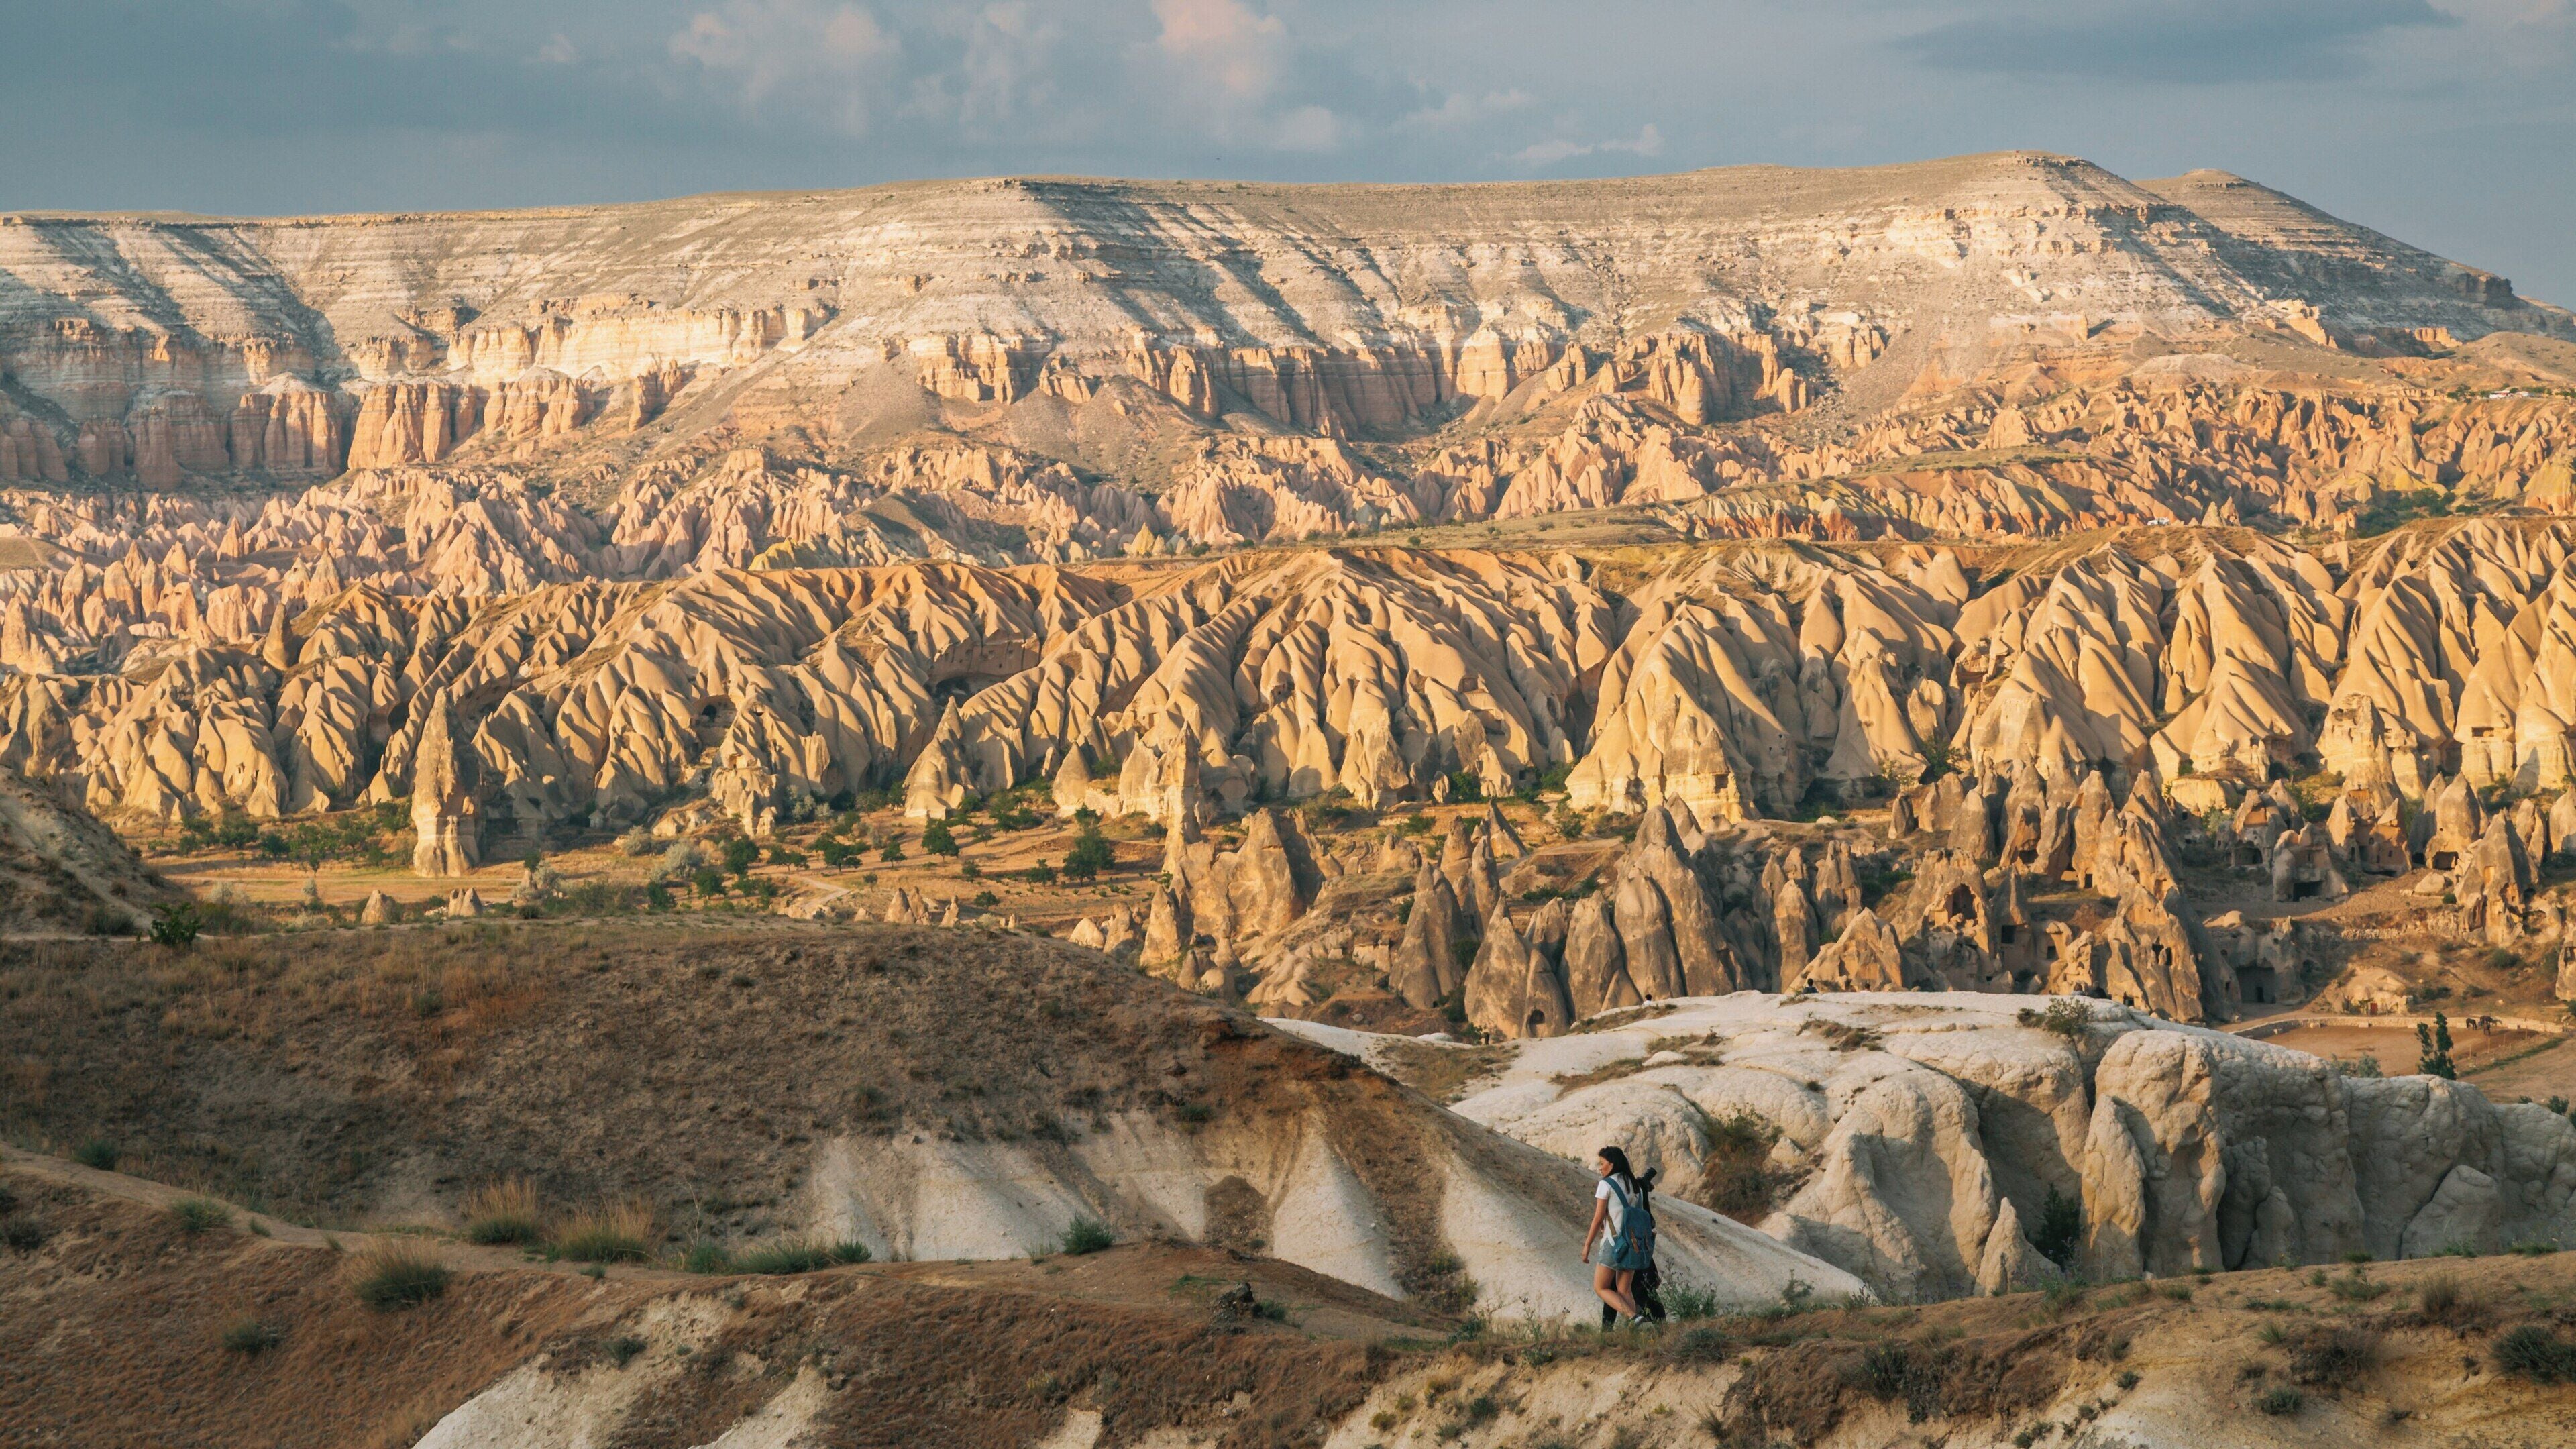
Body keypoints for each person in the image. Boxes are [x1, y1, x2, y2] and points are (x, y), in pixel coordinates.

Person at [1580, 1145, 1654, 1326]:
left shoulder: (1606, 1184)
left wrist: (1587, 1245)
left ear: (1612, 1164)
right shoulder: (1635, 1185)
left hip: (1613, 1244)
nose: (1600, 1168)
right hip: (1634, 1244)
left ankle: (1635, 1318)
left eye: (1602, 1163)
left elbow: (1598, 1219)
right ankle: (1640, 1327)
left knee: (1601, 1287)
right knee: (1624, 1289)